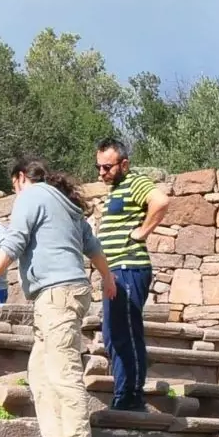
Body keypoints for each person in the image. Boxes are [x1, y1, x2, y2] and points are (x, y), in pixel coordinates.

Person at [0, 157, 116, 437]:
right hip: (61, 293)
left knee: (62, 368)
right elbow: (93, 247)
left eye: (13, 185)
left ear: (20, 178)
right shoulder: (67, 205)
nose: (15, 191)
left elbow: (14, 242)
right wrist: (108, 280)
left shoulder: (32, 195)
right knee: (40, 370)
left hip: (57, 293)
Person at [93, 138, 169, 412]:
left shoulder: (134, 182)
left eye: (107, 167)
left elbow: (160, 201)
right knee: (112, 334)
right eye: (99, 167)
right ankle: (123, 392)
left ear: (124, 164)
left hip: (129, 268)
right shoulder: (116, 189)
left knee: (125, 332)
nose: (102, 173)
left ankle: (131, 396)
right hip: (114, 272)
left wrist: (141, 232)